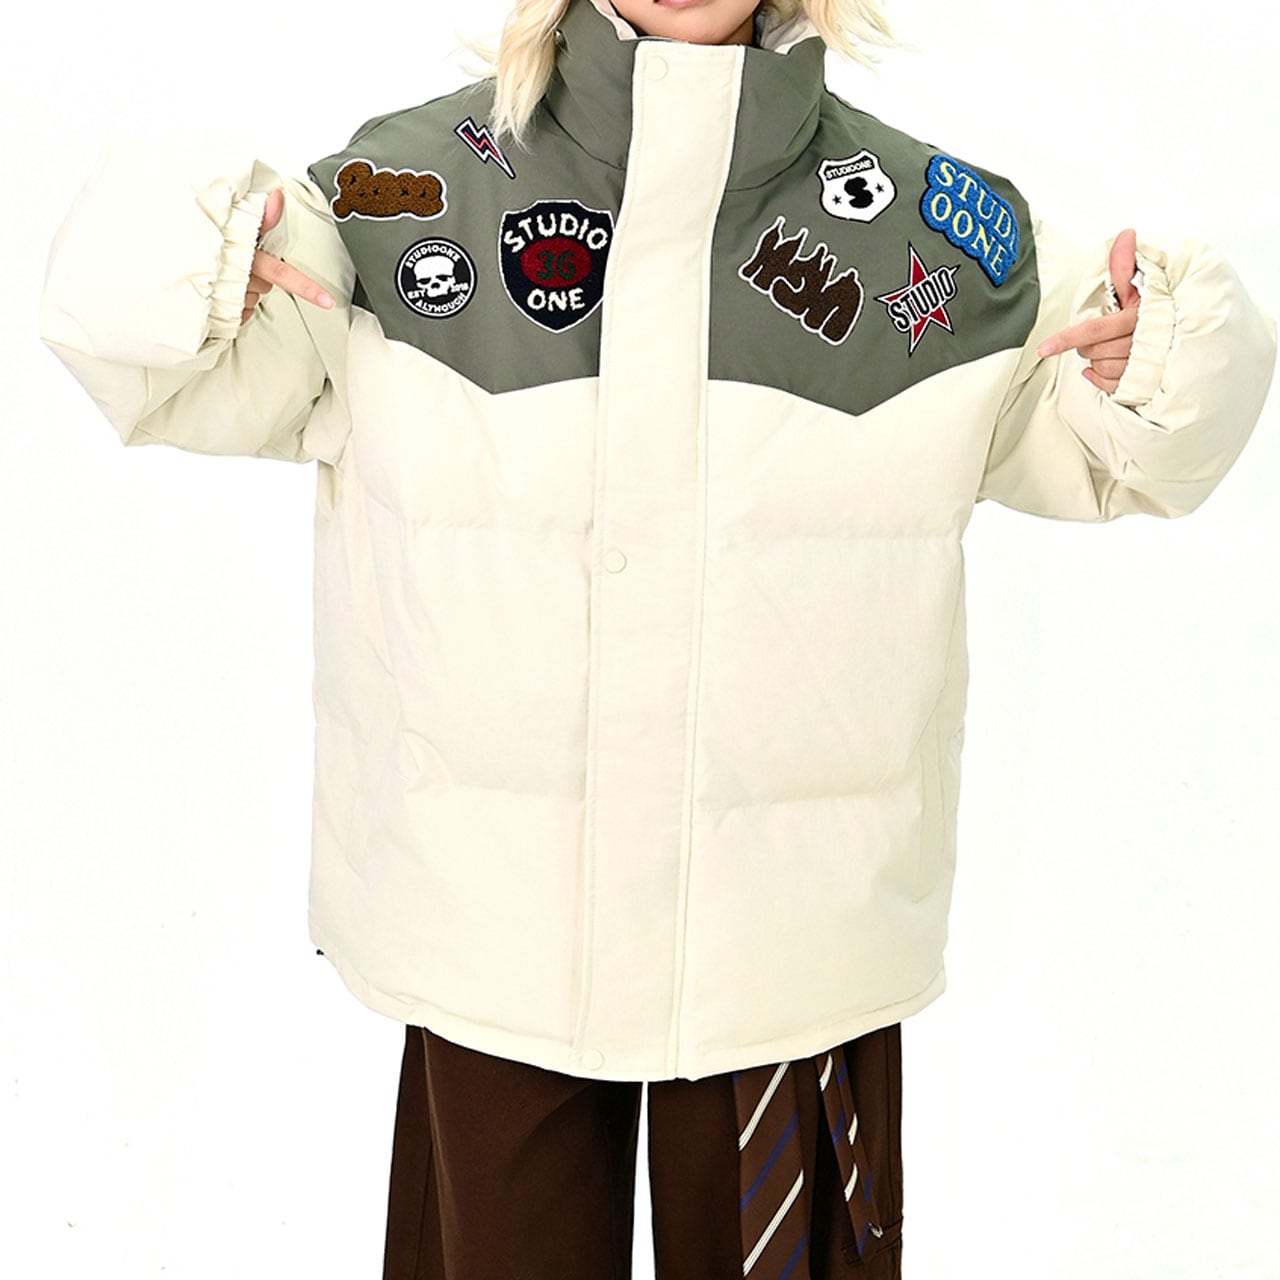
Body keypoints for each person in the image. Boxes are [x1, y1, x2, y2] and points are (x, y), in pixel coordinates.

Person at [36, 0, 1277, 1277]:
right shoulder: (398, 204)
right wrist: (192, 255)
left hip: (786, 955)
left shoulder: (931, 237)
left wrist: (1163, 354)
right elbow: (139, 345)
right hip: (495, 939)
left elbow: (1146, 441)